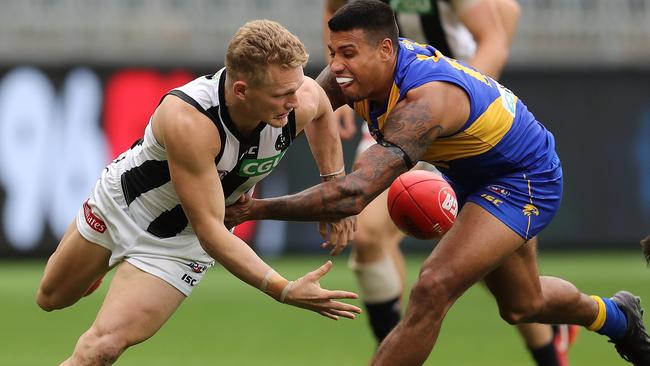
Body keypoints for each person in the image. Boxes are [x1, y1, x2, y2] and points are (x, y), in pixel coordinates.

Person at [224, 1, 650, 365]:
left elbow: (354, 195)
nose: (335, 66)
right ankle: (617, 316)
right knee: (524, 305)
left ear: (386, 50)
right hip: (464, 167)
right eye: (333, 52)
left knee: (433, 285)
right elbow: (305, 110)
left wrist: (257, 208)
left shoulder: (424, 102)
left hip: (520, 178)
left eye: (348, 53)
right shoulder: (357, 71)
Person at [35, 19, 361, 365]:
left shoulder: (301, 99)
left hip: (180, 244)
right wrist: (283, 289)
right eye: (283, 95)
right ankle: (100, 266)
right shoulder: (189, 119)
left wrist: (333, 189)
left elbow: (323, 109)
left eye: (296, 87)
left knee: (101, 349)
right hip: (122, 206)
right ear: (241, 91)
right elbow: (212, 232)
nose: (296, 101)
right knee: (51, 297)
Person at [323, 1, 577, 365]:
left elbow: (497, 32)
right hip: (388, 105)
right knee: (370, 236)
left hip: (444, 110)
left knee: (494, 276)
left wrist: (452, 103)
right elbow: (332, 15)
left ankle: (550, 344)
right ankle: (396, 349)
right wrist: (342, 88)